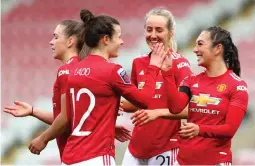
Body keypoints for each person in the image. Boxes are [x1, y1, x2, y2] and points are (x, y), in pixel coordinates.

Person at [27, 9, 167, 166]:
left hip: (69, 158)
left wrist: (109, 127)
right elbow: (145, 100)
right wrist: (153, 67)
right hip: (96, 157)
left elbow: (74, 116)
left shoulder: (74, 71)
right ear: (106, 39)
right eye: (119, 37)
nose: (121, 42)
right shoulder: (113, 71)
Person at [3, 20, 131, 159]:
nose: (51, 42)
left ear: (70, 41)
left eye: (56, 37)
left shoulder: (67, 71)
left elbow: (66, 118)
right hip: (83, 155)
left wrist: (43, 139)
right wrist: (33, 111)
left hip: (79, 155)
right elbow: (71, 117)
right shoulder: (81, 70)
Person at [160, 26, 249, 165]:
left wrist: (199, 129)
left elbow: (229, 130)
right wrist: (166, 73)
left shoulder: (237, 86)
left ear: (217, 48)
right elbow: (175, 108)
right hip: (183, 161)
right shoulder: (190, 80)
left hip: (215, 162)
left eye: (200, 44)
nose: (195, 49)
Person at [120, 8, 192, 166]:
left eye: (159, 30)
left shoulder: (180, 65)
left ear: (170, 33)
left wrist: (157, 113)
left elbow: (190, 109)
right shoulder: (138, 63)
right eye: (149, 29)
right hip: (135, 147)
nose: (153, 35)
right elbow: (137, 102)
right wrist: (115, 103)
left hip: (166, 147)